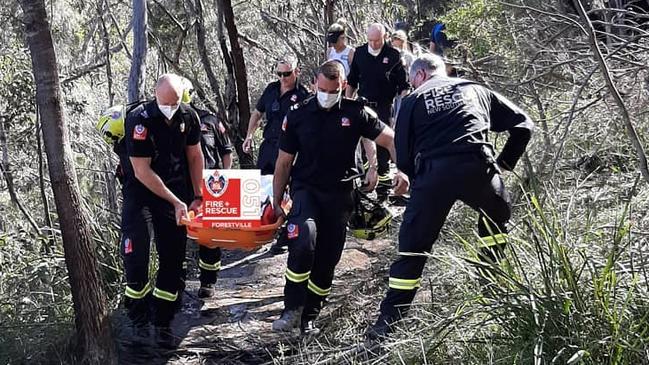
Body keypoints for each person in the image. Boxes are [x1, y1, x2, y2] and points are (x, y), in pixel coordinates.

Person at [367, 54, 534, 339]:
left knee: (412, 249)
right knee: (496, 221)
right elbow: (524, 124)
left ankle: (387, 325)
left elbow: (404, 158)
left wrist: (420, 184)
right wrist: (504, 164)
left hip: (434, 174)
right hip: (479, 168)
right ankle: (492, 286)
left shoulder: (412, 100)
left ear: (418, 76)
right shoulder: (474, 88)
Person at [271, 60, 409, 335]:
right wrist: (276, 201)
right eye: (321, 89)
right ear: (314, 85)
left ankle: (310, 316)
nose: (326, 94)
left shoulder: (356, 113)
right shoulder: (298, 114)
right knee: (303, 243)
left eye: (332, 90)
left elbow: (391, 140)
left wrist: (401, 170)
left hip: (340, 194)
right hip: (306, 190)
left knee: (327, 258)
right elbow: (284, 162)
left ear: (343, 86)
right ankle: (292, 310)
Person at [120, 73, 204, 348]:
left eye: (176, 102)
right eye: (167, 103)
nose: (171, 109)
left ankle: (163, 322)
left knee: (173, 257)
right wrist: (175, 201)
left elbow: (195, 155)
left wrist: (197, 195)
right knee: (137, 255)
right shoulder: (139, 119)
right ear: (156, 96)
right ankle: (138, 321)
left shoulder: (189, 117)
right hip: (141, 194)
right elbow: (142, 171)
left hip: (176, 192)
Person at [346, 23, 409, 203]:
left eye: (377, 40)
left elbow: (403, 86)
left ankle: (385, 191)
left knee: (384, 148)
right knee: (362, 148)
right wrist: (348, 101)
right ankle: (364, 185)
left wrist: (402, 108)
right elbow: (352, 81)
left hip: (384, 107)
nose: (373, 44)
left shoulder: (393, 55)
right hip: (363, 106)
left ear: (385, 37)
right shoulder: (359, 53)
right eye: (370, 40)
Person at [190, 103, 234, 299]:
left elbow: (226, 151)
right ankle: (177, 283)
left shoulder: (210, 120)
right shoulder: (168, 122)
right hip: (180, 187)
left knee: (209, 238)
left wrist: (225, 180)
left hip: (211, 186)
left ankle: (208, 281)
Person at [243, 55, 310, 175]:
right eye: (279, 74)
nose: (283, 78)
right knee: (262, 185)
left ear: (297, 71)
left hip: (287, 150)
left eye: (287, 74)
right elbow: (258, 113)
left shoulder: (303, 95)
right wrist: (249, 135)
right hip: (268, 146)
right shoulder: (271, 89)